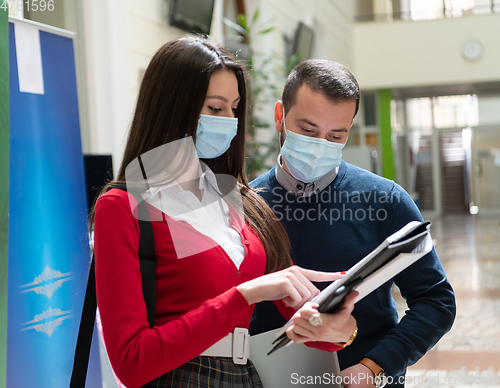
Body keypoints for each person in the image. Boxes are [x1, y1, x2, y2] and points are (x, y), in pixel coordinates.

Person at [91, 37, 358, 388]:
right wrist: (245, 295)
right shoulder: (124, 207)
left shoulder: (240, 199)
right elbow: (131, 361)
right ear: (173, 107)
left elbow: (303, 316)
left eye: (234, 108)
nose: (230, 121)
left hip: (245, 375)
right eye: (216, 109)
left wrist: (340, 329)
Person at [249, 60, 456, 387]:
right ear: (280, 116)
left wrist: (374, 367)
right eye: (308, 130)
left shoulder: (386, 200)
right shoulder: (247, 204)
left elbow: (436, 301)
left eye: (336, 135)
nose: (320, 146)